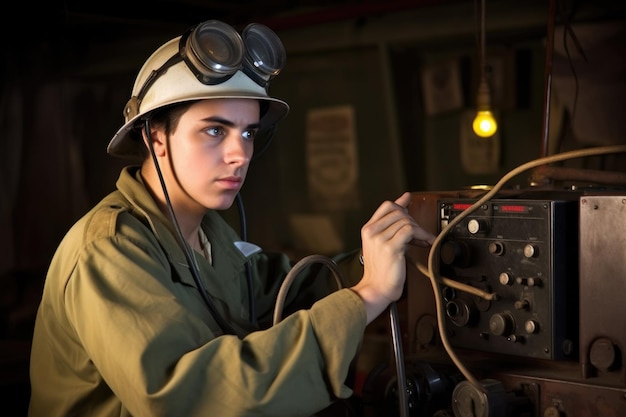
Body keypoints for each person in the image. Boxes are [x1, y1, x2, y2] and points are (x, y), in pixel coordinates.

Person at [28, 19, 435, 417]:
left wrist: (376, 258)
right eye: (214, 131)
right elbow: (184, 398)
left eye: (247, 133)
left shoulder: (205, 235)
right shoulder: (109, 249)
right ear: (156, 137)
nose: (240, 155)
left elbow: (287, 293)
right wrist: (367, 296)